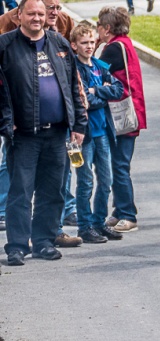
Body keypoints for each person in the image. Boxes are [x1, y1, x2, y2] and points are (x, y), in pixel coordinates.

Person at [0, 0, 87, 266]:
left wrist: (79, 124)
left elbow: (73, 85)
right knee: (21, 194)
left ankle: (44, 242)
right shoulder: (5, 46)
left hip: (58, 134)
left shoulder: (59, 44)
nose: (38, 18)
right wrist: (5, 123)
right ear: (19, 15)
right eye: (32, 13)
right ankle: (16, 246)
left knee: (53, 192)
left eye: (41, 13)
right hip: (24, 136)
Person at [71, 21, 124, 245]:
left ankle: (99, 221)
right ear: (74, 45)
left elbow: (119, 89)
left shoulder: (100, 65)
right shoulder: (73, 69)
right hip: (82, 135)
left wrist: (96, 91)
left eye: (92, 42)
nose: (89, 46)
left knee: (106, 180)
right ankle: (84, 226)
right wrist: (97, 95)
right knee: (85, 182)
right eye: (84, 43)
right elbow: (83, 101)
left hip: (103, 132)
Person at [98, 6, 146, 233]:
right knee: (120, 163)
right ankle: (119, 210)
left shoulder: (112, 49)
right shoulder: (125, 43)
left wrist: (95, 49)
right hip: (132, 111)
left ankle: (128, 213)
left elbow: (94, 74)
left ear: (107, 28)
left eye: (99, 25)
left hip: (121, 115)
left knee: (119, 165)